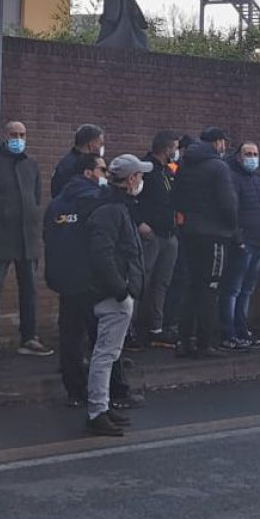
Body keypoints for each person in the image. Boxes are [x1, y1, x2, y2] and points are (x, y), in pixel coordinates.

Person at [77, 155, 150, 435]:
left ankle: (103, 407)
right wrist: (122, 290)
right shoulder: (112, 210)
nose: (141, 181)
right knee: (105, 354)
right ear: (130, 179)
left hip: (111, 292)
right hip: (111, 295)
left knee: (108, 354)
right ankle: (97, 411)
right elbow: (103, 254)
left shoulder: (114, 206)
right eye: (139, 176)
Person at [174, 127, 239, 358]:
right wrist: (232, 228)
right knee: (210, 288)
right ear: (217, 142)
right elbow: (228, 203)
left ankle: (184, 340)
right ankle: (206, 343)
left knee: (191, 286)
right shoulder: (218, 167)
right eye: (223, 142)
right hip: (215, 235)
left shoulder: (185, 164)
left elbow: (177, 197)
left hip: (190, 232)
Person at [0, 120, 49, 355]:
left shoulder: (31, 165)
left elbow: (35, 197)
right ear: (5, 135)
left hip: (27, 237)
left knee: (29, 290)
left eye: (22, 135)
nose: (18, 139)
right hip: (2, 236)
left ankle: (29, 337)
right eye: (14, 134)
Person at [134, 131, 181, 346]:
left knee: (162, 282)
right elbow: (132, 197)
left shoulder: (167, 170)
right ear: (167, 148)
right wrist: (139, 223)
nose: (176, 152)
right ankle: (131, 328)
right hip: (151, 234)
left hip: (169, 234)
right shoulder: (145, 168)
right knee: (141, 281)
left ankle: (156, 327)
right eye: (175, 148)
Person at [226, 141, 260, 350]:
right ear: (239, 157)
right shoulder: (234, 179)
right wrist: (239, 238)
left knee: (247, 290)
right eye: (248, 154)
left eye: (255, 154)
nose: (253, 158)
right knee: (233, 289)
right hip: (244, 242)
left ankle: (242, 328)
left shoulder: (257, 180)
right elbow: (232, 210)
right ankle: (229, 332)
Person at [50, 123, 106, 197]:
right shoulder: (73, 166)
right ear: (91, 144)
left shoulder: (66, 162)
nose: (101, 147)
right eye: (100, 143)